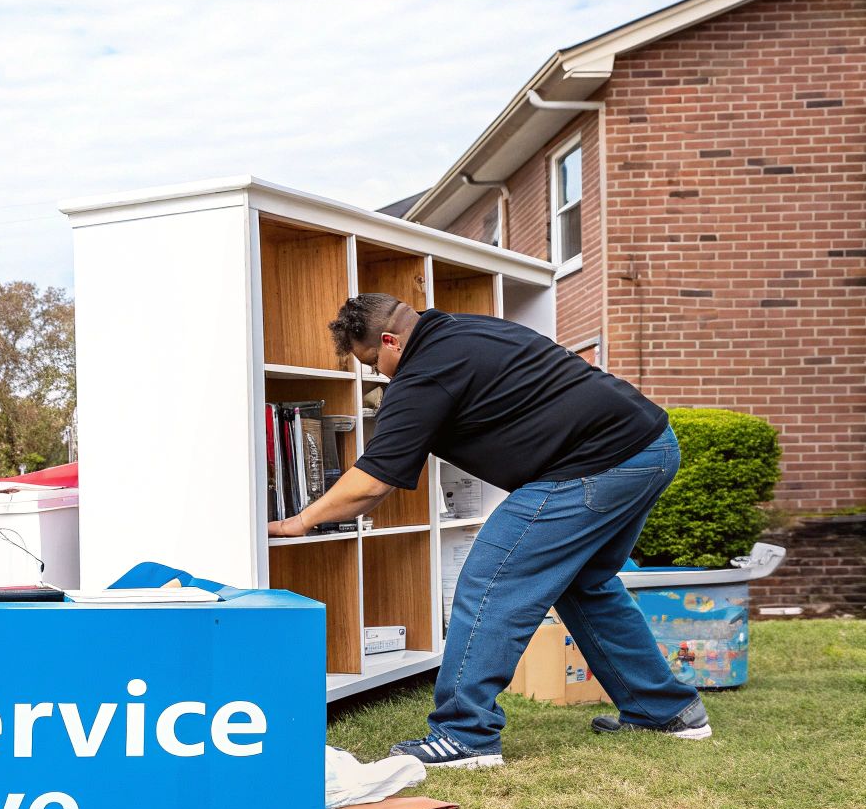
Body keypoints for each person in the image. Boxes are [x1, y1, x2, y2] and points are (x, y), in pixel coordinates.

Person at [267, 294, 707, 769]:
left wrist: (300, 521)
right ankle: (665, 710)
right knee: (585, 584)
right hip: (650, 446)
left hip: (595, 463)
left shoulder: (423, 372)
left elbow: (372, 483)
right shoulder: (471, 331)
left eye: (375, 362)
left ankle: (464, 735)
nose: (380, 375)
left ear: (392, 341)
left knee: (489, 584)